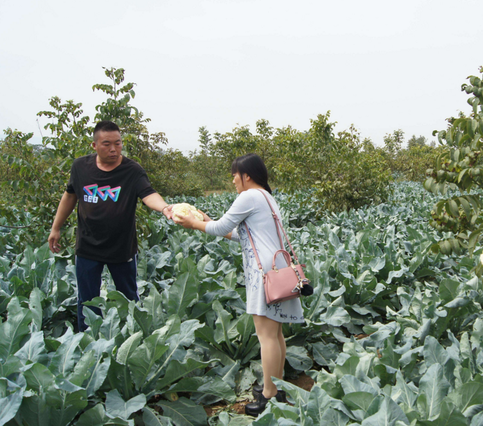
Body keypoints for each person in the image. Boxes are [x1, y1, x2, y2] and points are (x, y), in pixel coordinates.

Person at [173, 153, 304, 417]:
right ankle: (275, 387)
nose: (233, 179)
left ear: (247, 175)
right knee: (275, 334)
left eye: (235, 174)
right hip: (277, 267)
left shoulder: (249, 196)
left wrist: (194, 223)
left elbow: (221, 229)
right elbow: (241, 235)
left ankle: (268, 397)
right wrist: (207, 221)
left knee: (265, 335)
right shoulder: (267, 197)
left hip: (263, 272)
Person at [48, 120, 172, 331]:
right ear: (94, 146)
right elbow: (70, 196)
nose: (114, 149)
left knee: (129, 299)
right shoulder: (80, 167)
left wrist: (165, 208)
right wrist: (56, 227)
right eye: (106, 144)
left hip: (121, 248)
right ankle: (88, 344)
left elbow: (148, 194)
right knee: (87, 302)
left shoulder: (132, 170)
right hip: (87, 246)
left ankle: (134, 340)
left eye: (118, 143)